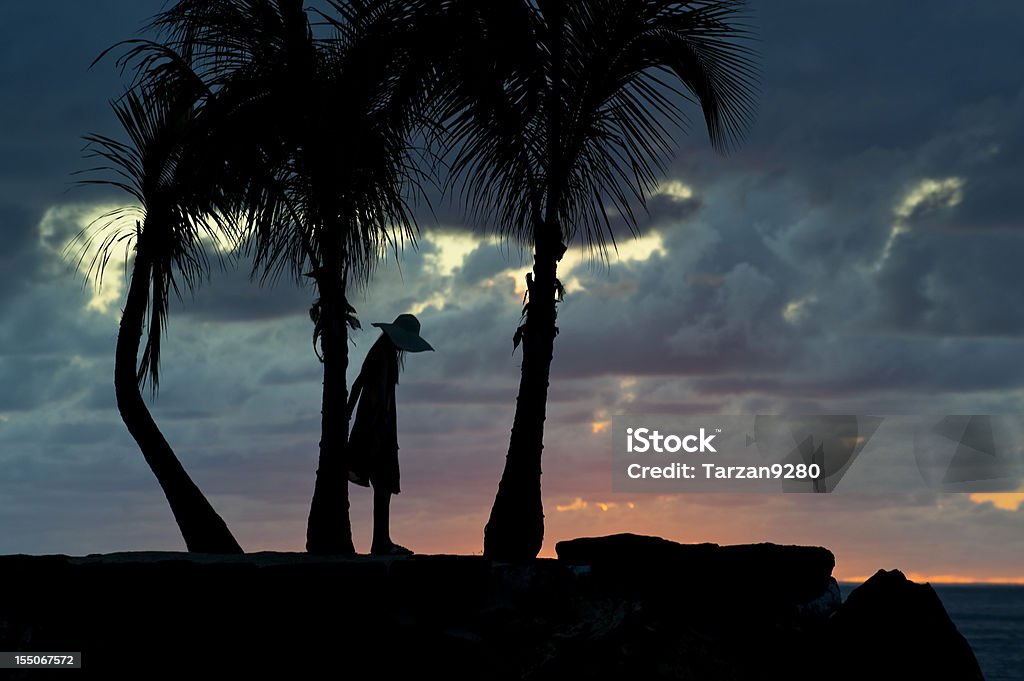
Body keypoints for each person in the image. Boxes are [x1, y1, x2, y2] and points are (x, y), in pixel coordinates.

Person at [347, 313, 433, 555]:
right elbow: (372, 395)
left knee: (383, 487)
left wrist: (348, 413)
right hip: (377, 429)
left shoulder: (381, 354)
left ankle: (381, 540)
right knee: (383, 485)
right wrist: (357, 420)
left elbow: (357, 385)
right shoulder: (382, 357)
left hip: (375, 427)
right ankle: (381, 542)